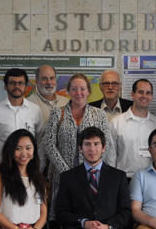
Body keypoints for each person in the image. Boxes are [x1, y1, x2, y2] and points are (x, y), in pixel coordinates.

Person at [43, 73, 111, 209]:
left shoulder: (99, 114)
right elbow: (49, 143)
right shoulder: (57, 113)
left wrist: (91, 168)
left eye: (82, 89)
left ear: (88, 91)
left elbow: (105, 144)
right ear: (68, 91)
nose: (78, 92)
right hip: (61, 175)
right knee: (63, 215)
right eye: (74, 88)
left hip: (90, 176)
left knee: (88, 212)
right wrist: (67, 173)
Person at [107, 79, 156, 178]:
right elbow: (110, 156)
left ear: (152, 96)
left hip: (153, 179)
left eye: (148, 93)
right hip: (124, 179)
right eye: (140, 92)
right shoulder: (116, 123)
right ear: (132, 94)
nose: (144, 96)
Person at [0, 68, 44, 167]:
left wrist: (39, 169)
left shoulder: (35, 111)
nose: (17, 86)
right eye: (12, 83)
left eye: (21, 83)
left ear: (26, 87)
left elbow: (40, 143)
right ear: (5, 86)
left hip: (28, 170)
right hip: (1, 169)